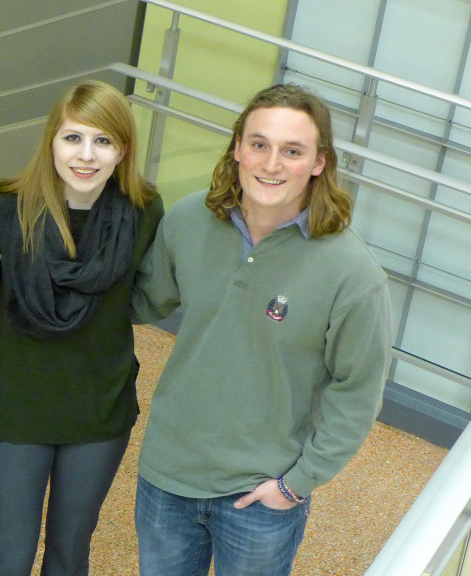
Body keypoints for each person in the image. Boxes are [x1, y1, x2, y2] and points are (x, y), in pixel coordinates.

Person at [131, 84, 392, 575]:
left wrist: (296, 484)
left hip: (262, 492)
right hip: (167, 475)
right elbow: (142, 301)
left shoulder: (353, 274)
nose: (271, 164)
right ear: (237, 149)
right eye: (259, 144)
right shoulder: (189, 220)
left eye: (292, 151)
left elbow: (356, 391)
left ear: (319, 162)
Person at [0, 80, 162, 576]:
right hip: (19, 403)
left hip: (98, 408)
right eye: (73, 138)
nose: (86, 155)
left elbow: (151, 289)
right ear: (51, 141)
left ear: (123, 150)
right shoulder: (6, 206)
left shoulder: (143, 211)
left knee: (69, 552)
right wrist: (7, 292)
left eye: (103, 141)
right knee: (9, 556)